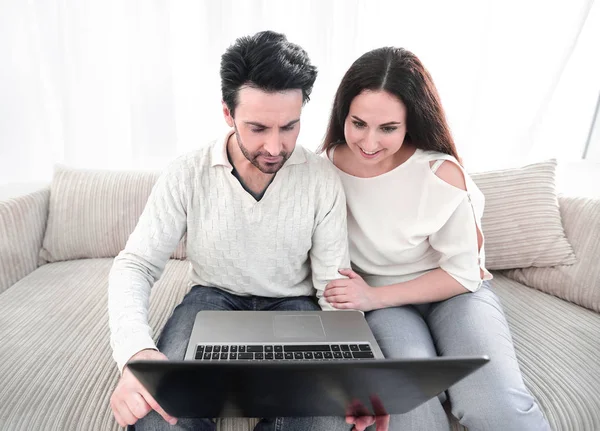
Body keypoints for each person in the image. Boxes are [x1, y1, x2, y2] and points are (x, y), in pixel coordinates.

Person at [107, 31, 380, 431]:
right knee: (157, 417)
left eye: (289, 127)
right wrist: (137, 353)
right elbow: (135, 265)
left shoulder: (321, 178)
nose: (275, 146)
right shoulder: (187, 173)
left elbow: (331, 287)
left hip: (294, 308)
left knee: (324, 419)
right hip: (211, 301)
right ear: (227, 113)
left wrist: (353, 373)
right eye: (257, 128)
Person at [321, 47, 551, 431]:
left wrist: (374, 296)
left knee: (495, 406)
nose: (369, 142)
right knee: (411, 408)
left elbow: (464, 274)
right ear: (342, 113)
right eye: (358, 123)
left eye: (388, 128)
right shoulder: (323, 170)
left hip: (454, 295)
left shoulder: (439, 173)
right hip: (388, 309)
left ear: (411, 122)